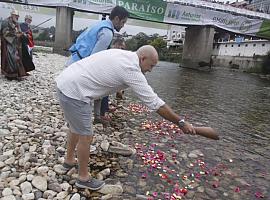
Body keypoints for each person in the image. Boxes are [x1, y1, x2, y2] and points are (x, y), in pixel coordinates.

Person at [55, 45, 195, 190]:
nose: (150, 70)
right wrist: (180, 122)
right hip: (75, 92)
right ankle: (83, 178)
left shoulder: (124, 55)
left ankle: (69, 160)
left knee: (75, 128)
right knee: (86, 135)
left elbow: (110, 73)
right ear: (143, 58)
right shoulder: (132, 70)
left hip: (67, 81)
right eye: (151, 66)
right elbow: (155, 103)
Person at [65, 6, 129, 125]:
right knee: (85, 94)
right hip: (79, 66)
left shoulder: (100, 25)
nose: (123, 26)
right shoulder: (107, 34)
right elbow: (94, 60)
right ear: (116, 19)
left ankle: (93, 117)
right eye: (123, 22)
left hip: (73, 60)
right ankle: (77, 123)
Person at [94, 38, 127, 125]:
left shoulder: (114, 54)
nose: (123, 51)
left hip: (104, 76)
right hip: (99, 75)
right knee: (100, 95)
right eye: (122, 48)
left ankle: (102, 112)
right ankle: (99, 116)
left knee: (103, 95)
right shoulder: (109, 53)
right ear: (118, 46)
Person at [1, 10, 26, 80]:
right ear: (12, 15)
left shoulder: (17, 23)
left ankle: (18, 73)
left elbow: (19, 31)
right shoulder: (6, 22)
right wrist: (15, 35)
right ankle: (10, 74)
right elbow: (5, 33)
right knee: (10, 58)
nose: (17, 17)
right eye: (16, 16)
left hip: (16, 44)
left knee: (17, 58)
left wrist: (21, 34)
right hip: (8, 43)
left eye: (18, 16)